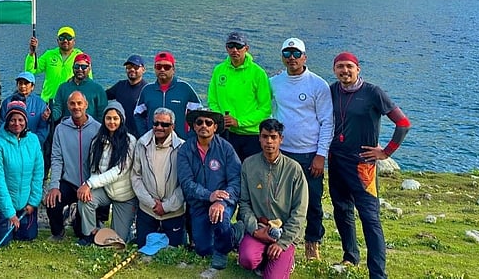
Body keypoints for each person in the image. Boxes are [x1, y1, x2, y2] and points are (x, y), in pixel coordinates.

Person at [329, 52, 411, 279]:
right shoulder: (332, 90)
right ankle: (350, 256)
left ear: (358, 69)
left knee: (370, 217)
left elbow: (403, 123)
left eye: (349, 67)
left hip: (363, 165)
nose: (344, 71)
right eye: (339, 67)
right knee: (342, 209)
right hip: (336, 160)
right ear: (334, 70)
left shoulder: (373, 93)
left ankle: (377, 273)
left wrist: (386, 152)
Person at [270, 37, 333, 260]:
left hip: (309, 154)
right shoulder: (274, 83)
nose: (292, 58)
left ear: (305, 57)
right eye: (287, 54)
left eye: (296, 54)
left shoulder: (318, 85)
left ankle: (312, 243)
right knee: (282, 201)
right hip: (283, 152)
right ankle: (285, 242)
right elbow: (266, 110)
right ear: (282, 57)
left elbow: (327, 121)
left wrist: (321, 155)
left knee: (313, 201)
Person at [237, 119, 308, 278]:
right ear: (259, 138)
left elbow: (300, 211)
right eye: (265, 136)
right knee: (247, 260)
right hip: (259, 227)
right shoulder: (249, 165)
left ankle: (286, 257)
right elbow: (244, 203)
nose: (269, 141)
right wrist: (255, 230)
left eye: (273, 137)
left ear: (281, 139)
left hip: (283, 233)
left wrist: (282, 243)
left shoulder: (294, 169)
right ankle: (261, 256)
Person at [176, 108, 241, 270]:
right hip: (198, 203)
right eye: (199, 122)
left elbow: (235, 179)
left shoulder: (226, 148)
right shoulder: (185, 150)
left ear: (215, 127)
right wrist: (208, 195)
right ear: (194, 126)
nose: (203, 125)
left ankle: (223, 249)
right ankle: (233, 234)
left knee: (221, 219)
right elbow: (186, 182)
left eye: (208, 122)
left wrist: (221, 201)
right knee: (203, 249)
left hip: (223, 201)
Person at [43, 91, 102, 241]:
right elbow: (56, 159)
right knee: (52, 201)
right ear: (68, 106)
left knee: (81, 233)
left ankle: (78, 216)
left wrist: (90, 184)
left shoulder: (98, 129)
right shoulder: (60, 129)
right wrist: (54, 186)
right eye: (72, 104)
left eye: (79, 103)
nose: (76, 107)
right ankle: (58, 232)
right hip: (69, 181)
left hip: (89, 184)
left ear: (86, 105)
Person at [76, 102, 137, 244]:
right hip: (105, 190)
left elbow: (119, 171)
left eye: (115, 118)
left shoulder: (130, 141)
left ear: (121, 119)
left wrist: (89, 184)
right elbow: (94, 168)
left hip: (124, 195)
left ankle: (120, 230)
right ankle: (89, 234)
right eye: (108, 118)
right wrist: (88, 186)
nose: (112, 122)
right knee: (85, 200)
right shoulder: (98, 140)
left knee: (117, 240)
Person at [208, 32, 272, 162]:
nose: (234, 50)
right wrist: (221, 119)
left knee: (250, 176)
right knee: (226, 173)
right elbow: (212, 101)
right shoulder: (219, 70)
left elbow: (265, 109)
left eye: (238, 46)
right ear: (226, 48)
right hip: (225, 133)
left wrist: (239, 122)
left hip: (251, 136)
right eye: (230, 46)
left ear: (246, 48)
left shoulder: (258, 73)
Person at [0, 100, 44, 246]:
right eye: (12, 120)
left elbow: (38, 174)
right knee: (2, 241)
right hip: (4, 205)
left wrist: (33, 202)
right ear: (6, 121)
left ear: (26, 121)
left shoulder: (34, 140)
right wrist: (9, 212)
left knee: (28, 236)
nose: (16, 123)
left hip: (25, 204)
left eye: (20, 120)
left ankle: (21, 221)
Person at [131, 107, 186, 248]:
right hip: (148, 210)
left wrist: (166, 206)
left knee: (174, 249)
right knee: (144, 246)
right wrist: (151, 203)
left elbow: (185, 183)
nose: (159, 127)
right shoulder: (141, 144)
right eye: (156, 123)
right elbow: (136, 176)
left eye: (165, 124)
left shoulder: (182, 148)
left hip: (173, 211)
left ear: (173, 126)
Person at [134, 51, 201, 138]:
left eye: (166, 67)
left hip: (179, 143)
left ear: (173, 69)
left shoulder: (185, 89)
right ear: (154, 68)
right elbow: (137, 114)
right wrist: (145, 135)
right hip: (153, 143)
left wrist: (189, 137)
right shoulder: (147, 90)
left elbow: (199, 114)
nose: (162, 69)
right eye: (158, 66)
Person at [24, 26, 88, 102]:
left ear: (74, 41)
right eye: (62, 38)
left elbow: (88, 81)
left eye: (69, 38)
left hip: (71, 103)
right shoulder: (49, 55)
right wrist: (32, 53)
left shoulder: (80, 56)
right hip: (48, 102)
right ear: (57, 40)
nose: (65, 40)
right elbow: (30, 71)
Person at [50, 53, 107, 122]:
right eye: (77, 66)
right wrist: (49, 115)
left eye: (83, 67)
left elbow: (102, 114)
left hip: (90, 129)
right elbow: (58, 109)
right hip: (67, 128)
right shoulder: (63, 87)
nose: (80, 69)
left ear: (89, 68)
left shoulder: (98, 89)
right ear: (73, 67)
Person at [0, 72, 50, 147]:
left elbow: (43, 127)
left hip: (33, 145)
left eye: (26, 83)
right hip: (11, 145)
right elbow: (2, 124)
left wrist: (35, 143)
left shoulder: (40, 103)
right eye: (20, 83)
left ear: (32, 86)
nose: (23, 86)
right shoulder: (7, 102)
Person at [105, 54, 148, 137]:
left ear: (143, 69)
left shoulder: (147, 90)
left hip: (139, 136)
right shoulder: (120, 86)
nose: (132, 69)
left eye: (135, 67)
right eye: (128, 67)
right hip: (119, 134)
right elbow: (102, 96)